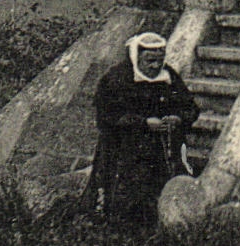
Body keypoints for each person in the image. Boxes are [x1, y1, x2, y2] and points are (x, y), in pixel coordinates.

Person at [82, 31, 200, 227]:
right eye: (150, 61)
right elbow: (107, 117)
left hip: (160, 152)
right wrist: (143, 123)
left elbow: (191, 108)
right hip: (123, 151)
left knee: (155, 198)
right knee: (121, 201)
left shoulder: (168, 76)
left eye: (159, 61)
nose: (155, 66)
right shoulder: (117, 79)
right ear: (137, 58)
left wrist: (178, 118)